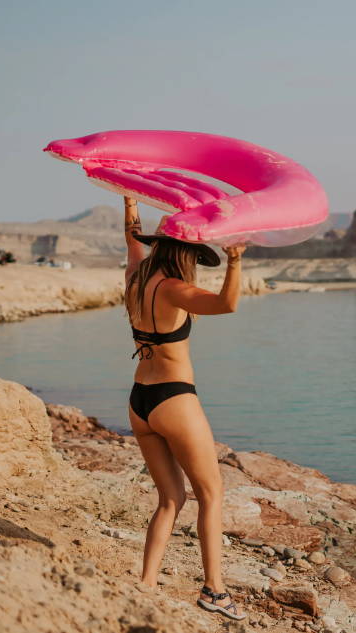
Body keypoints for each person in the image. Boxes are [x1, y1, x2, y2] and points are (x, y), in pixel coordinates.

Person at [122, 197, 247, 621]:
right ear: (185, 254)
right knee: (211, 495)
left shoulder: (137, 278)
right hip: (174, 399)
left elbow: (131, 241)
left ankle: (147, 583)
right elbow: (227, 305)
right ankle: (214, 590)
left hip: (140, 402)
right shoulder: (174, 289)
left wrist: (130, 200)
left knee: (169, 499)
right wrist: (234, 261)